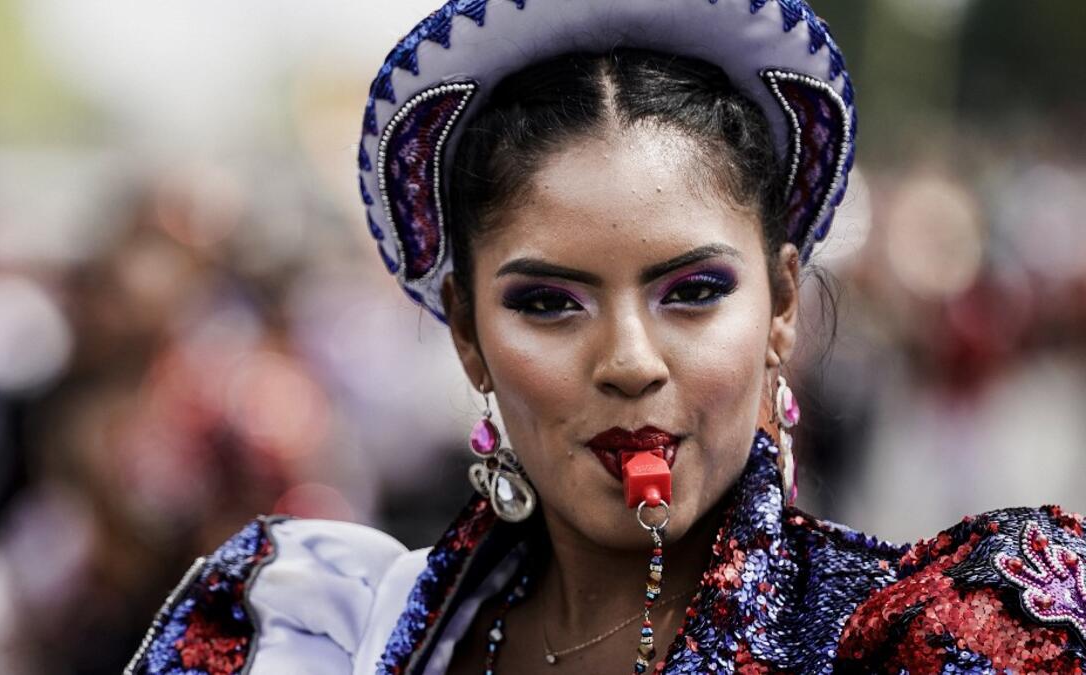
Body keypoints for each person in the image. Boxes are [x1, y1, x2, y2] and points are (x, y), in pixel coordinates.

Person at [126, 1, 1086, 673]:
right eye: (548, 303)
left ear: (782, 306)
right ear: (466, 332)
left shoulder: (931, 637)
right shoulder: (312, 633)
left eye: (695, 291)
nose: (629, 360)